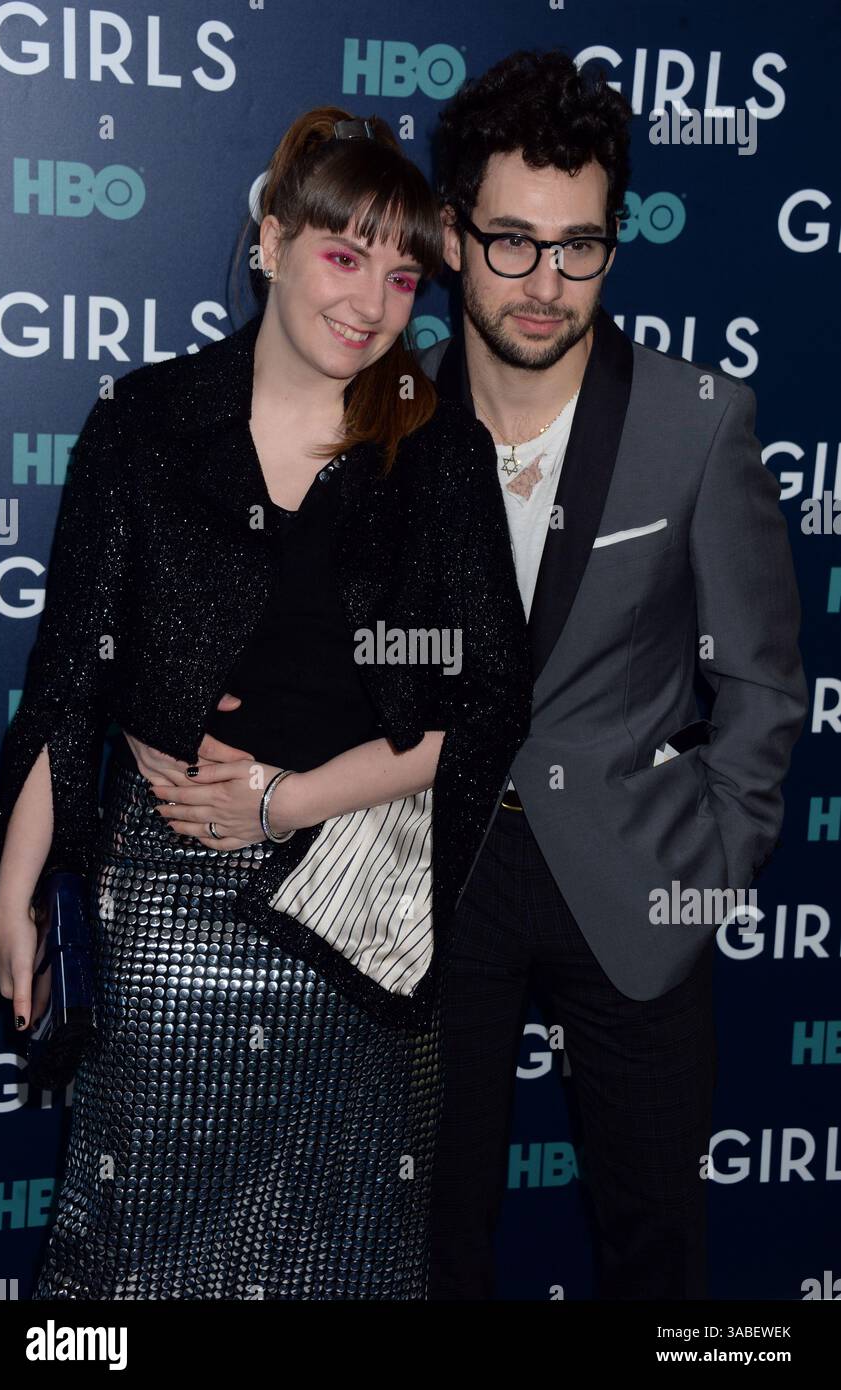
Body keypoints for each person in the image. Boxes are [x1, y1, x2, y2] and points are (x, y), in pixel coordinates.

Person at [0, 106, 533, 1300]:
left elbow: (488, 697)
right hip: (164, 910)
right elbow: (69, 677)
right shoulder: (146, 424)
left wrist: (287, 800)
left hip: (356, 911)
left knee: (342, 1254)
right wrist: (18, 886)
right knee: (131, 1257)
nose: (371, 302)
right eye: (343, 257)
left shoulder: (433, 454)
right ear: (271, 242)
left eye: (400, 277)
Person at [415, 50, 809, 1299]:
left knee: (656, 1248)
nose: (544, 284)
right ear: (450, 234)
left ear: (612, 246)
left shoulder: (699, 418)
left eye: (578, 247)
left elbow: (759, 679)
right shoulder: (391, 422)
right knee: (435, 1240)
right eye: (513, 243)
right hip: (437, 879)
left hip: (642, 878)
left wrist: (716, 856)